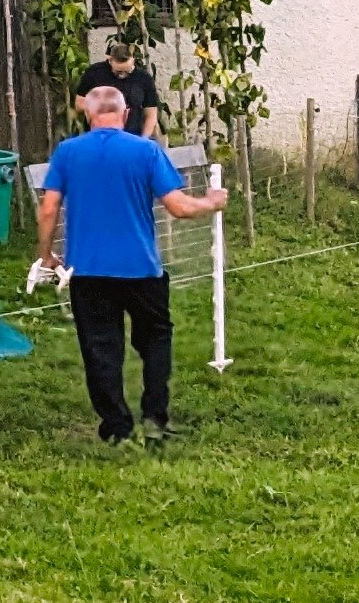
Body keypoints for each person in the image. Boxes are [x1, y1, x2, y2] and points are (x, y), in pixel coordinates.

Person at [36, 84, 229, 444]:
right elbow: (179, 207)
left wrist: (46, 254)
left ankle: (116, 428)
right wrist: (212, 201)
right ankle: (155, 418)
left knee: (100, 348)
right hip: (141, 268)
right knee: (156, 339)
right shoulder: (145, 151)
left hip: (88, 270)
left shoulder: (68, 152)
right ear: (125, 114)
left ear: (88, 114)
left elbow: (48, 208)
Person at [78, 41, 160, 139]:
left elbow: (151, 113)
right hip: (99, 137)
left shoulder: (143, 78)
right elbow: (79, 103)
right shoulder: (94, 73)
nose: (122, 75)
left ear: (133, 60)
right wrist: (103, 108)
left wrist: (144, 139)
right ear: (110, 61)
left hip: (132, 137)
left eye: (128, 70)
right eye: (118, 72)